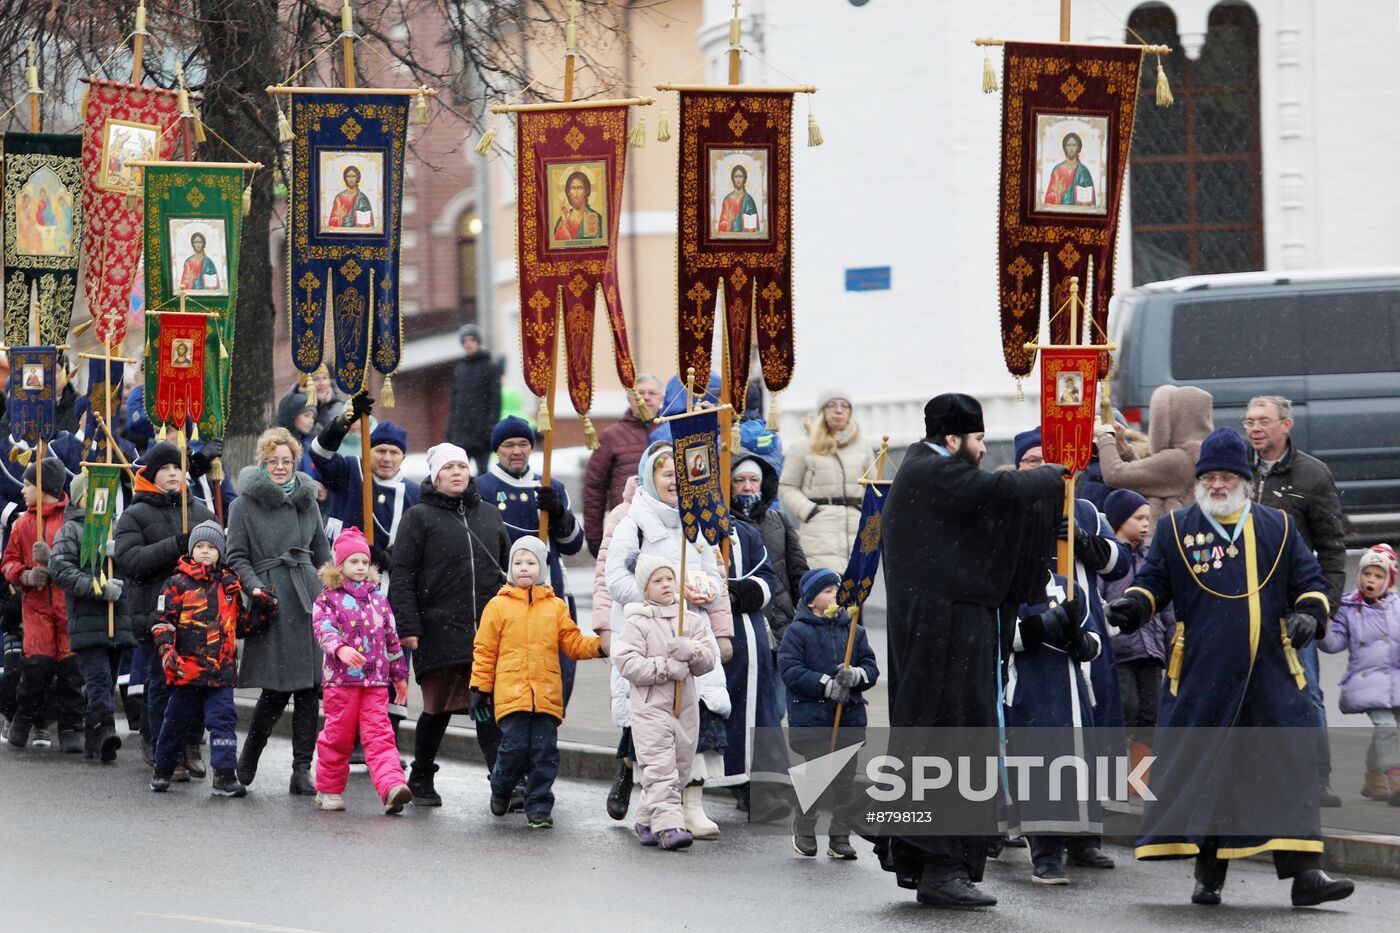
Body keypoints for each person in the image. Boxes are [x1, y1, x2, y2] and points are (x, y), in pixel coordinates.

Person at [1108, 427, 1354, 908]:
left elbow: (1310, 581)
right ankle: (1209, 874)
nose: (1218, 485)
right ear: (1200, 481)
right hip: (1203, 674)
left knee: (1289, 768)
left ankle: (1306, 874)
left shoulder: (1277, 527)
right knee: (1212, 773)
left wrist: (1309, 612)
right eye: (1211, 476)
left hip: (1271, 676)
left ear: (1244, 480)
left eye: (1227, 476)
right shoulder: (1176, 528)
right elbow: (1154, 582)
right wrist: (1133, 607)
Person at [878, 394, 1066, 908]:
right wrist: (1053, 477)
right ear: (953, 438)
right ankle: (940, 866)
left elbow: (987, 522)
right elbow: (1000, 491)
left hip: (949, 631)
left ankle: (933, 862)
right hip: (942, 638)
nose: (984, 450)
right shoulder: (931, 472)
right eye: (979, 439)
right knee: (949, 744)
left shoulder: (930, 474)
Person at [1014, 426, 1128, 869]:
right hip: (1036, 637)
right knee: (1044, 741)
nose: (1041, 467)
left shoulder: (1084, 509)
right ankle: (1042, 839)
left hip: (1085, 632)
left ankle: (1087, 834)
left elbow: (1121, 563)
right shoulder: (1011, 513)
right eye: (1031, 461)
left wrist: (1083, 541)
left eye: (1048, 459)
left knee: (1093, 732)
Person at [603, 443, 731, 827]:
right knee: (655, 728)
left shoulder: (697, 523)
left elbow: (715, 577)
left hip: (691, 634)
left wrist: (702, 592)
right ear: (649, 478)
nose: (674, 482)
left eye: (679, 475)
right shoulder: (633, 523)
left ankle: (692, 804)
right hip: (648, 636)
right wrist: (660, 596)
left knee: (695, 721)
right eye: (666, 475)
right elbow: (615, 580)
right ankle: (658, 805)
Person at [390, 442, 510, 806]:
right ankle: (422, 775)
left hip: (487, 633)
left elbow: (508, 566)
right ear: (435, 475)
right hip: (439, 629)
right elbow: (402, 574)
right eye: (448, 468)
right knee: (437, 708)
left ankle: (502, 782)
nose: (456, 473)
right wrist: (408, 626)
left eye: (461, 466)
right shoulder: (418, 517)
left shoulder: (489, 514)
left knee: (486, 707)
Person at [1245, 394, 1348, 808]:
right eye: (1249, 420)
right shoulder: (1236, 471)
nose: (1254, 428)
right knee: (1248, 690)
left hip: (1294, 605)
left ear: (1285, 425)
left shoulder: (1312, 475)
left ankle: (1316, 778)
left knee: (1305, 692)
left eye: (1263, 421)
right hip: (1244, 600)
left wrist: (1322, 608)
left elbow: (1332, 547)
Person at [469, 535, 603, 828]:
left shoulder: (555, 606)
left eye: (531, 562)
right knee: (513, 749)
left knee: (544, 754)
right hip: (511, 695)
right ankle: (501, 786)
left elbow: (572, 642)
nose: (524, 568)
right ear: (510, 567)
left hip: (546, 695)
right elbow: (485, 649)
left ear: (542, 567)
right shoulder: (498, 606)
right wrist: (479, 688)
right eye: (518, 562)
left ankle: (539, 807)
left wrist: (600, 647)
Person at [230, 427, 332, 796]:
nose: (280, 466)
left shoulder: (308, 501)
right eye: (273, 460)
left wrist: (334, 590)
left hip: (309, 597)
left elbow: (322, 553)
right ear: (262, 462)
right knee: (275, 689)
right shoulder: (243, 505)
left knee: (310, 688)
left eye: (286, 460)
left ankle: (301, 769)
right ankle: (250, 756)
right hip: (272, 599)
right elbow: (236, 555)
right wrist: (255, 587)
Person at [114, 441, 217, 775]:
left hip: (198, 613)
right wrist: (175, 545)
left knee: (197, 681)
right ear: (153, 474)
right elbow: (130, 561)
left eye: (178, 467)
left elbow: (220, 553)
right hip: (156, 611)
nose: (173, 473)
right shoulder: (135, 514)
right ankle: (161, 745)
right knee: (163, 681)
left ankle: (190, 744)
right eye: (166, 468)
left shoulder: (200, 510)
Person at [150, 521, 268, 797]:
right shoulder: (176, 583)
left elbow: (239, 626)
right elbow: (162, 623)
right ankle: (162, 768)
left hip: (221, 671)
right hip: (186, 670)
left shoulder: (229, 584)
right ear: (192, 550)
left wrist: (262, 612)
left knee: (223, 721)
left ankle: (225, 775)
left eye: (211, 547)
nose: (205, 552)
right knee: (175, 722)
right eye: (200, 546)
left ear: (220, 551)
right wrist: (168, 652)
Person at [1004, 571, 1103, 885]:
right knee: (1038, 777)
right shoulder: (1007, 585)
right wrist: (1050, 621)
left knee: (1071, 778)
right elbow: (1006, 638)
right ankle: (1045, 856)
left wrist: (1079, 640)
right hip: (1030, 695)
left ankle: (1065, 846)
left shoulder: (1069, 587)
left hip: (1072, 697)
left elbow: (1096, 643)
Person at [476, 416, 583, 706]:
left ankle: (548, 726)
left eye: (523, 444)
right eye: (509, 445)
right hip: (504, 597)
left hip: (550, 593)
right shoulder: (481, 489)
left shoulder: (551, 486)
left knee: (557, 669)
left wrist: (559, 512)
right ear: (497, 450)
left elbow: (573, 545)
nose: (517, 451)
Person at [614, 553, 717, 851]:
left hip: (684, 706)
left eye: (669, 579)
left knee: (681, 766)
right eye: (657, 580)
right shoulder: (637, 621)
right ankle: (670, 826)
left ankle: (646, 819)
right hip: (650, 707)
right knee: (660, 767)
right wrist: (667, 667)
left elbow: (708, 661)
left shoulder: (691, 620)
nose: (665, 585)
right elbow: (628, 663)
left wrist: (693, 651)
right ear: (645, 588)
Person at [311, 526, 413, 815]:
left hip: (376, 683)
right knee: (338, 737)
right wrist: (340, 649)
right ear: (340, 565)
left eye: (364, 562)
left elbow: (392, 639)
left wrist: (400, 675)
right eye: (353, 562)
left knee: (380, 735)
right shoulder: (328, 599)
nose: (359, 567)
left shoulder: (379, 600)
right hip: (341, 683)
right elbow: (323, 629)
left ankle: (393, 786)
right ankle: (329, 789)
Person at [778, 567, 878, 861]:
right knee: (818, 775)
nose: (836, 595)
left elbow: (871, 668)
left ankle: (840, 836)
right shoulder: (798, 632)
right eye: (828, 591)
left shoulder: (854, 631)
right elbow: (791, 670)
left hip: (849, 718)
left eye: (838, 591)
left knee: (845, 780)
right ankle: (805, 827)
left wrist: (855, 676)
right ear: (811, 601)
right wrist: (825, 685)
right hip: (812, 719)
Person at [49, 471, 134, 762]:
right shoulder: (71, 530)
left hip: (118, 619)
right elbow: (61, 569)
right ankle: (104, 730)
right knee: (97, 677)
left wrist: (120, 554)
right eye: (95, 493)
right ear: (80, 498)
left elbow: (135, 567)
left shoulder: (117, 528)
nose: (103, 499)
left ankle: (92, 735)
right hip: (87, 619)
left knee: (108, 679)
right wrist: (96, 587)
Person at [3, 458, 83, 752]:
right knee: (36, 667)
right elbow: (8, 562)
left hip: (68, 607)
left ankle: (72, 727)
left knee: (71, 670)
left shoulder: (72, 521)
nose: (22, 490)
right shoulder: (22, 524)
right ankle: (22, 720)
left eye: (27, 484)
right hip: (35, 607)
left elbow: (82, 561)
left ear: (45, 487)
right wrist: (24, 574)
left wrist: (54, 560)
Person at [1319, 545, 1400, 805]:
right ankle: (1396, 778)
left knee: (1390, 729)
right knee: (1386, 727)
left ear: (1388, 580)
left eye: (1378, 576)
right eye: (1367, 574)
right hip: (1367, 682)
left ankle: (1373, 777)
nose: (1371, 581)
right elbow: (1334, 644)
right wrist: (1323, 626)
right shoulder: (1349, 608)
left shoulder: (1397, 607)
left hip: (1396, 681)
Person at [1100, 488, 1170, 772]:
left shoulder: (1151, 557)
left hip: (1150, 650)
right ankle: (1114, 772)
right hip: (1119, 651)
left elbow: (1166, 605)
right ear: (1119, 521)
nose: (1145, 524)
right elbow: (1099, 601)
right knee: (1125, 709)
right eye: (1138, 518)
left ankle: (1139, 779)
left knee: (1151, 713)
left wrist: (1173, 636)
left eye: (1147, 518)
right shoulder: (1106, 560)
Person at [730, 452, 808, 709]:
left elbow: (797, 571)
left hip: (779, 625)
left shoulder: (779, 521)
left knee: (775, 708)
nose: (747, 486)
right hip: (742, 627)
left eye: (753, 479)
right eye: (739, 480)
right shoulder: (723, 524)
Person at [779, 390, 875, 572]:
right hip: (819, 529)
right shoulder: (803, 445)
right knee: (827, 589)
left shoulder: (863, 445)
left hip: (856, 527)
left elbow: (874, 488)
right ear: (822, 411)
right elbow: (787, 486)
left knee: (857, 589)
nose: (839, 411)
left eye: (844, 406)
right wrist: (809, 511)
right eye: (832, 405)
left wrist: (867, 515)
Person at [1095, 384, 1213, 527]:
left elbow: (1115, 474)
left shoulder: (1179, 459)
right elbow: (1150, 478)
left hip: (1168, 543)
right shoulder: (1200, 453)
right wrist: (1121, 444)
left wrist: (1104, 435)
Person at [310, 394, 419, 547]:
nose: (387, 458)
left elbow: (416, 542)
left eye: (394, 452)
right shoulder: (350, 470)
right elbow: (319, 453)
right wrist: (343, 422)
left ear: (403, 458)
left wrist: (386, 558)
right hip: (341, 564)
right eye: (380, 451)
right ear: (367, 452)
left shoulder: (414, 493)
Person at [583, 375, 663, 557]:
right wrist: (594, 535)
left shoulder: (671, 430)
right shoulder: (611, 436)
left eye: (652, 393)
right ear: (629, 398)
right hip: (627, 524)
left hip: (666, 523)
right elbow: (594, 488)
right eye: (640, 393)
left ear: (662, 398)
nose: (646, 397)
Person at [445, 324, 501, 475]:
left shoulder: (490, 367)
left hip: (482, 433)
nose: (468, 344)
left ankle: (480, 499)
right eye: (465, 341)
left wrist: (490, 428)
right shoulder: (460, 369)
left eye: (471, 340)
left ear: (478, 341)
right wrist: (451, 428)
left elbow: (495, 400)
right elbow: (455, 402)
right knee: (460, 473)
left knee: (482, 474)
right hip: (461, 433)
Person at [1044, 131, 1094, 206]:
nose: (1071, 148)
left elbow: (1090, 201)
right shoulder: (1057, 170)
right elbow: (1048, 199)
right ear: (1064, 148)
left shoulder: (1084, 171)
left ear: (1078, 148)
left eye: (1074, 145)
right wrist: (1059, 193)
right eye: (1068, 145)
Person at [552, 170, 603, 241]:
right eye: (573, 188)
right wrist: (564, 222)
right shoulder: (561, 221)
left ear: (585, 191)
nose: (576, 193)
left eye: (580, 188)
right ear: (568, 192)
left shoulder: (595, 217)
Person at [717, 163, 759, 234]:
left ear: (744, 178)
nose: (738, 179)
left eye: (740, 176)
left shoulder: (749, 200)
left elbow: (754, 227)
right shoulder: (727, 199)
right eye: (736, 176)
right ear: (732, 179)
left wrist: (750, 229)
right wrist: (729, 222)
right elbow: (721, 226)